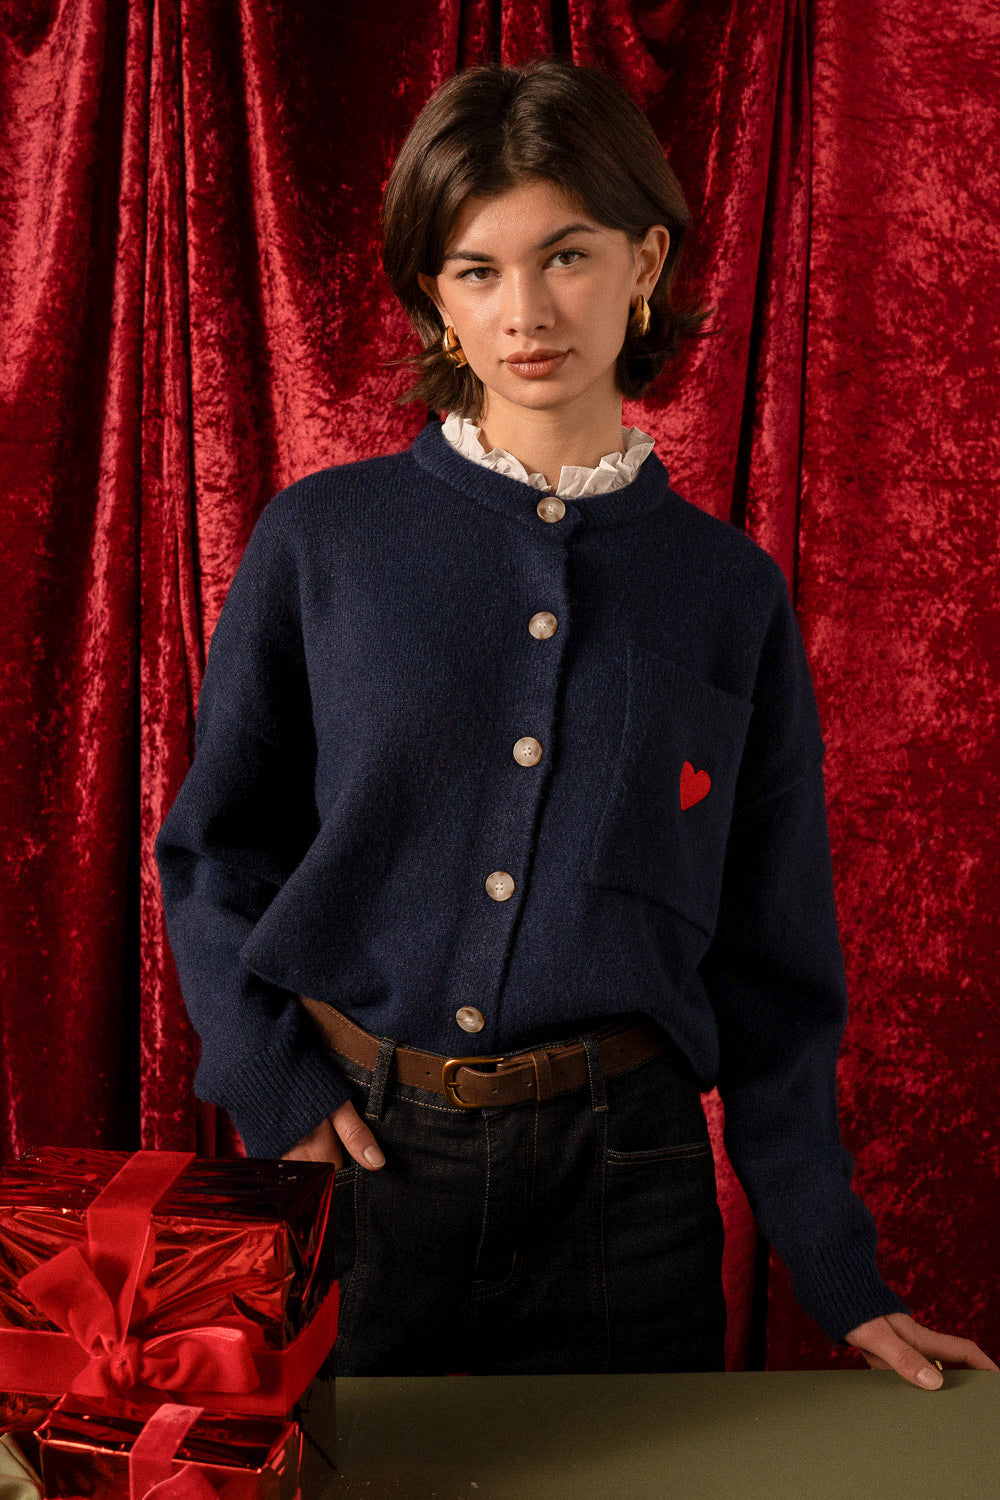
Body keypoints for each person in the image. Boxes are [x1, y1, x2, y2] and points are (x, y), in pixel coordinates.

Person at [154, 56, 997, 1387]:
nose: (526, 312)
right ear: (435, 296)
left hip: (630, 1187)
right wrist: (277, 1089)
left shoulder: (727, 592)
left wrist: (842, 1275)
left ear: (644, 261)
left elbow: (775, 963)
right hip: (364, 1167)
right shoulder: (324, 542)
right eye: (477, 269)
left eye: (567, 255)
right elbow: (214, 853)